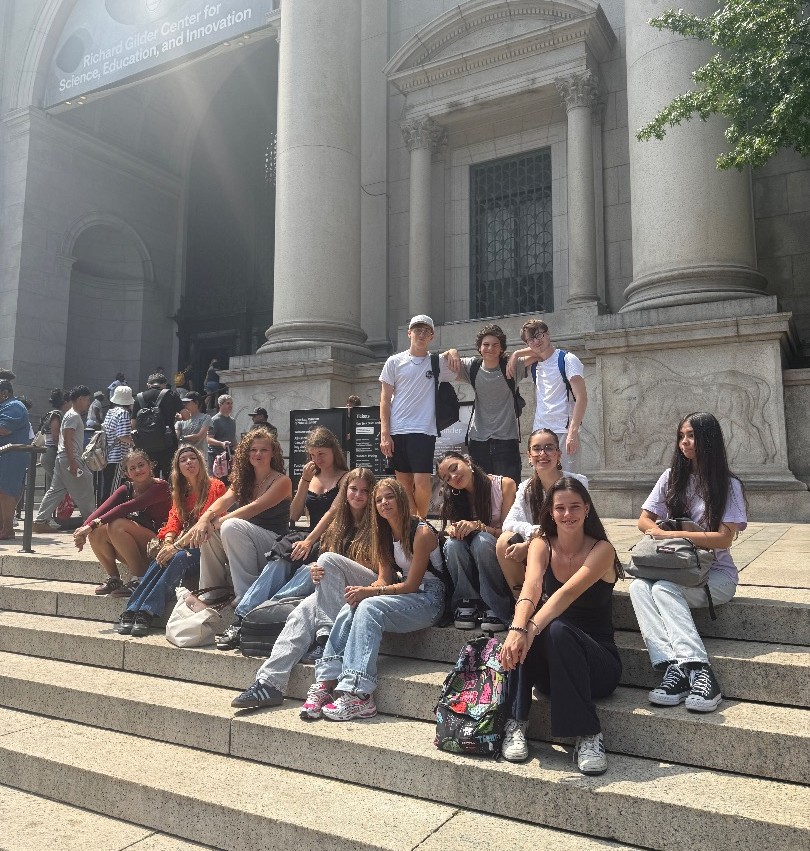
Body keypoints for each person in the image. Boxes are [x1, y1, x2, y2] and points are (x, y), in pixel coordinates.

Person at [500, 477, 621, 775]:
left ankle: (589, 734)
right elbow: (530, 588)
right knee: (527, 627)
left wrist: (527, 630)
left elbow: (563, 596)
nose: (568, 514)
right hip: (553, 669)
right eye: (560, 508)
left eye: (575, 507)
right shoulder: (541, 544)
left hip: (597, 666)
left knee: (547, 627)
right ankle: (516, 722)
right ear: (550, 513)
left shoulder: (603, 550)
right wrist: (516, 630)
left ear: (588, 509)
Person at [629, 412, 747, 714]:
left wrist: (677, 533)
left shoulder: (728, 485)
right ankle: (672, 669)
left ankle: (699, 670)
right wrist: (655, 531)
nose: (684, 442)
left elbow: (723, 539)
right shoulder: (671, 477)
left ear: (708, 439)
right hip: (676, 566)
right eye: (681, 436)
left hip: (715, 575)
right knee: (640, 587)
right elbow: (644, 519)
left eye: (691, 435)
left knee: (664, 590)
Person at [230, 468, 377, 709]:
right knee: (299, 614)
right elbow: (323, 563)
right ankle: (268, 684)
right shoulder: (338, 523)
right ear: (345, 491)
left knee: (328, 561)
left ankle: (325, 638)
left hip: (367, 586)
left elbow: (383, 568)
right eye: (353, 489)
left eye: (364, 491)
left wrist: (332, 567)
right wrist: (316, 572)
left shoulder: (377, 522)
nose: (358, 495)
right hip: (336, 590)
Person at [305, 478, 445, 721]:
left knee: (368, 605)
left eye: (389, 497)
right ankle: (327, 682)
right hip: (407, 595)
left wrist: (370, 594)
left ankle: (359, 695)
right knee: (356, 603)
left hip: (429, 598)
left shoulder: (421, 531)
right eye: (378, 500)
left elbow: (412, 584)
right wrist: (362, 591)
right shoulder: (383, 533)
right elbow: (383, 579)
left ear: (401, 498)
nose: (384, 503)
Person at [216, 426, 350, 650]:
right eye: (313, 455)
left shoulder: (346, 478)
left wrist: (309, 541)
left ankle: (253, 614)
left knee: (305, 570)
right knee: (280, 558)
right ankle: (242, 619)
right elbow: (294, 514)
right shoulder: (311, 477)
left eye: (322, 454)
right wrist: (305, 482)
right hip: (306, 534)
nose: (317, 459)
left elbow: (331, 514)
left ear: (334, 452)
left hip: (332, 536)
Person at [114, 444, 227, 636]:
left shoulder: (215, 486)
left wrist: (175, 546)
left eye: (193, 458)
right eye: (183, 460)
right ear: (178, 467)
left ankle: (148, 610)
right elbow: (173, 519)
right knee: (162, 556)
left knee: (178, 557)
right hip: (183, 545)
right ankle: (132, 609)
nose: (189, 462)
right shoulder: (180, 493)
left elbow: (203, 523)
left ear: (200, 462)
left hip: (207, 546)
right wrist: (167, 541)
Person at [188, 428, 292, 604]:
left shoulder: (282, 481)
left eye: (264, 450)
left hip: (274, 543)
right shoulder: (244, 480)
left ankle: (246, 595)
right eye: (253, 450)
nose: (258, 454)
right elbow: (224, 501)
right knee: (210, 531)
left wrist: (215, 524)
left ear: (273, 453)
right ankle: (213, 591)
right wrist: (205, 519)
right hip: (245, 541)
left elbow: (253, 509)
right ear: (246, 453)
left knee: (230, 525)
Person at [496, 429, 589, 601]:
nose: (543, 454)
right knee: (504, 541)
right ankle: (524, 603)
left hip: (571, 545)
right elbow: (508, 524)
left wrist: (532, 543)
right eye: (537, 449)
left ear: (558, 454)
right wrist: (534, 532)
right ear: (529, 456)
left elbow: (576, 524)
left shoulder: (577, 482)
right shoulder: (526, 487)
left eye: (549, 448)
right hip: (539, 547)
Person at [379, 314, 455, 518]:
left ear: (431, 336)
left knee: (422, 482)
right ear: (409, 333)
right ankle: (412, 524)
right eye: (417, 330)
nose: (421, 335)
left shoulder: (437, 362)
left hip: (423, 430)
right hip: (397, 430)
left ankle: (420, 521)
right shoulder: (394, 361)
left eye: (426, 331)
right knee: (403, 483)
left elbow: (464, 368)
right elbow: (385, 400)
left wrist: (453, 351)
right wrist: (385, 434)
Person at [436, 451, 516, 631]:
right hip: (471, 554)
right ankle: (466, 602)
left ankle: (494, 605)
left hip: (498, 552)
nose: (453, 477)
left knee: (482, 540)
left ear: (468, 462)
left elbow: (508, 533)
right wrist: (453, 530)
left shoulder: (504, 485)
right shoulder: (454, 497)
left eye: (454, 468)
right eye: (447, 477)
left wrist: (478, 526)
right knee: (452, 544)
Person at [73, 449, 171, 596]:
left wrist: (91, 525)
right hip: (136, 545)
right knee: (97, 530)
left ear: (150, 466)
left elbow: (127, 507)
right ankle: (114, 578)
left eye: (141, 465)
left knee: (116, 524)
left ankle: (140, 578)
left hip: (158, 545)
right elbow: (101, 510)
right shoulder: (126, 488)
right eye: (132, 468)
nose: (138, 470)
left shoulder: (161, 487)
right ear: (127, 473)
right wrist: (83, 530)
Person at [443, 324, 524, 483]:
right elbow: (439, 360)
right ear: (479, 348)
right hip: (478, 442)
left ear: (501, 348)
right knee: (482, 493)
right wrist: (452, 351)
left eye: (495, 345)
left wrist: (517, 354)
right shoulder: (472, 366)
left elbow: (542, 353)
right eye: (486, 345)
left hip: (506, 442)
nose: (490, 349)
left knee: (509, 491)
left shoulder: (511, 366)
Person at [507, 319, 587, 472]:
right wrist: (516, 354)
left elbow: (581, 398)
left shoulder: (567, 360)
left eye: (538, 335)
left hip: (563, 432)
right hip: (540, 433)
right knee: (542, 485)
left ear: (547, 334)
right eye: (530, 339)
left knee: (568, 484)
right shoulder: (534, 364)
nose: (536, 341)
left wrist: (573, 432)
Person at [33, 386, 97, 532]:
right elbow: (67, 439)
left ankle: (40, 521)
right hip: (70, 458)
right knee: (85, 486)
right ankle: (91, 522)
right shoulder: (73, 416)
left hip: (64, 459)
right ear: (80, 399)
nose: (88, 403)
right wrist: (73, 462)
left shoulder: (69, 415)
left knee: (56, 491)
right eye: (87, 399)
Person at [131, 372, 184, 480]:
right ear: (164, 384)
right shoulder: (171, 395)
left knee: (150, 477)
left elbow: (133, 424)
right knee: (170, 476)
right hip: (168, 443)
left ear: (148, 384)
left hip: (146, 446)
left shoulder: (139, 397)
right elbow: (186, 415)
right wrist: (176, 416)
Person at [0, 379, 32, 540]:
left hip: (10, 457)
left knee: (6, 491)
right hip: (5, 456)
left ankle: (7, 529)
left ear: (4, 393)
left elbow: (4, 429)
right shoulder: (7, 406)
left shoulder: (13, 406)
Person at [99, 384, 134, 504]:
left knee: (107, 487)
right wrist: (134, 442)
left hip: (107, 455)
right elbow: (122, 436)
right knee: (114, 490)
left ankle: (103, 513)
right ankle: (107, 515)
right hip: (118, 456)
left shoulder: (110, 412)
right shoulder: (124, 413)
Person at [40, 389, 70, 489]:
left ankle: (52, 505)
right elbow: (55, 437)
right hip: (51, 453)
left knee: (52, 487)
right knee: (59, 486)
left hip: (50, 453)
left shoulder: (54, 414)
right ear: (65, 402)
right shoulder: (57, 414)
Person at [175, 391, 213, 459]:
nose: (184, 405)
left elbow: (199, 436)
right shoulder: (181, 419)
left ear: (196, 403)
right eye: (184, 402)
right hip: (183, 457)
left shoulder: (206, 418)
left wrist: (182, 438)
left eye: (187, 402)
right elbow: (176, 437)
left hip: (200, 457)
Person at [207, 394, 236, 472]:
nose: (230, 406)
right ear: (220, 405)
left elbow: (233, 438)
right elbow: (208, 439)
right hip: (216, 456)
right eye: (227, 403)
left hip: (229, 455)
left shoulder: (232, 421)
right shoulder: (214, 420)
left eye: (231, 403)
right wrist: (221, 443)